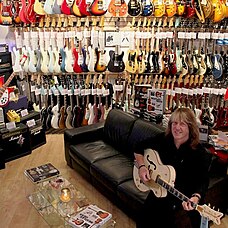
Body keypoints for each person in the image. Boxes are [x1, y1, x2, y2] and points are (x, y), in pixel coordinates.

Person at [134, 108, 211, 228]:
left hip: (183, 197)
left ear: (190, 127)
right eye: (174, 123)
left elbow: (203, 181)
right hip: (160, 189)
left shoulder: (200, 153)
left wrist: (196, 197)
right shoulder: (164, 139)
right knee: (142, 221)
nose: (177, 127)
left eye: (182, 124)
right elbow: (138, 148)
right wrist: (142, 167)